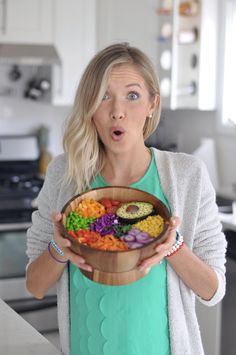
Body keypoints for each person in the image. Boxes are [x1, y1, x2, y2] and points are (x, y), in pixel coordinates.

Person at [26, 43, 227, 355]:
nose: (117, 111)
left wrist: (172, 247)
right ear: (90, 107)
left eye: (132, 95)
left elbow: (213, 290)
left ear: (152, 104)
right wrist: (59, 248)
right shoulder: (63, 173)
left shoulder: (188, 175)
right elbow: (35, 286)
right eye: (104, 96)